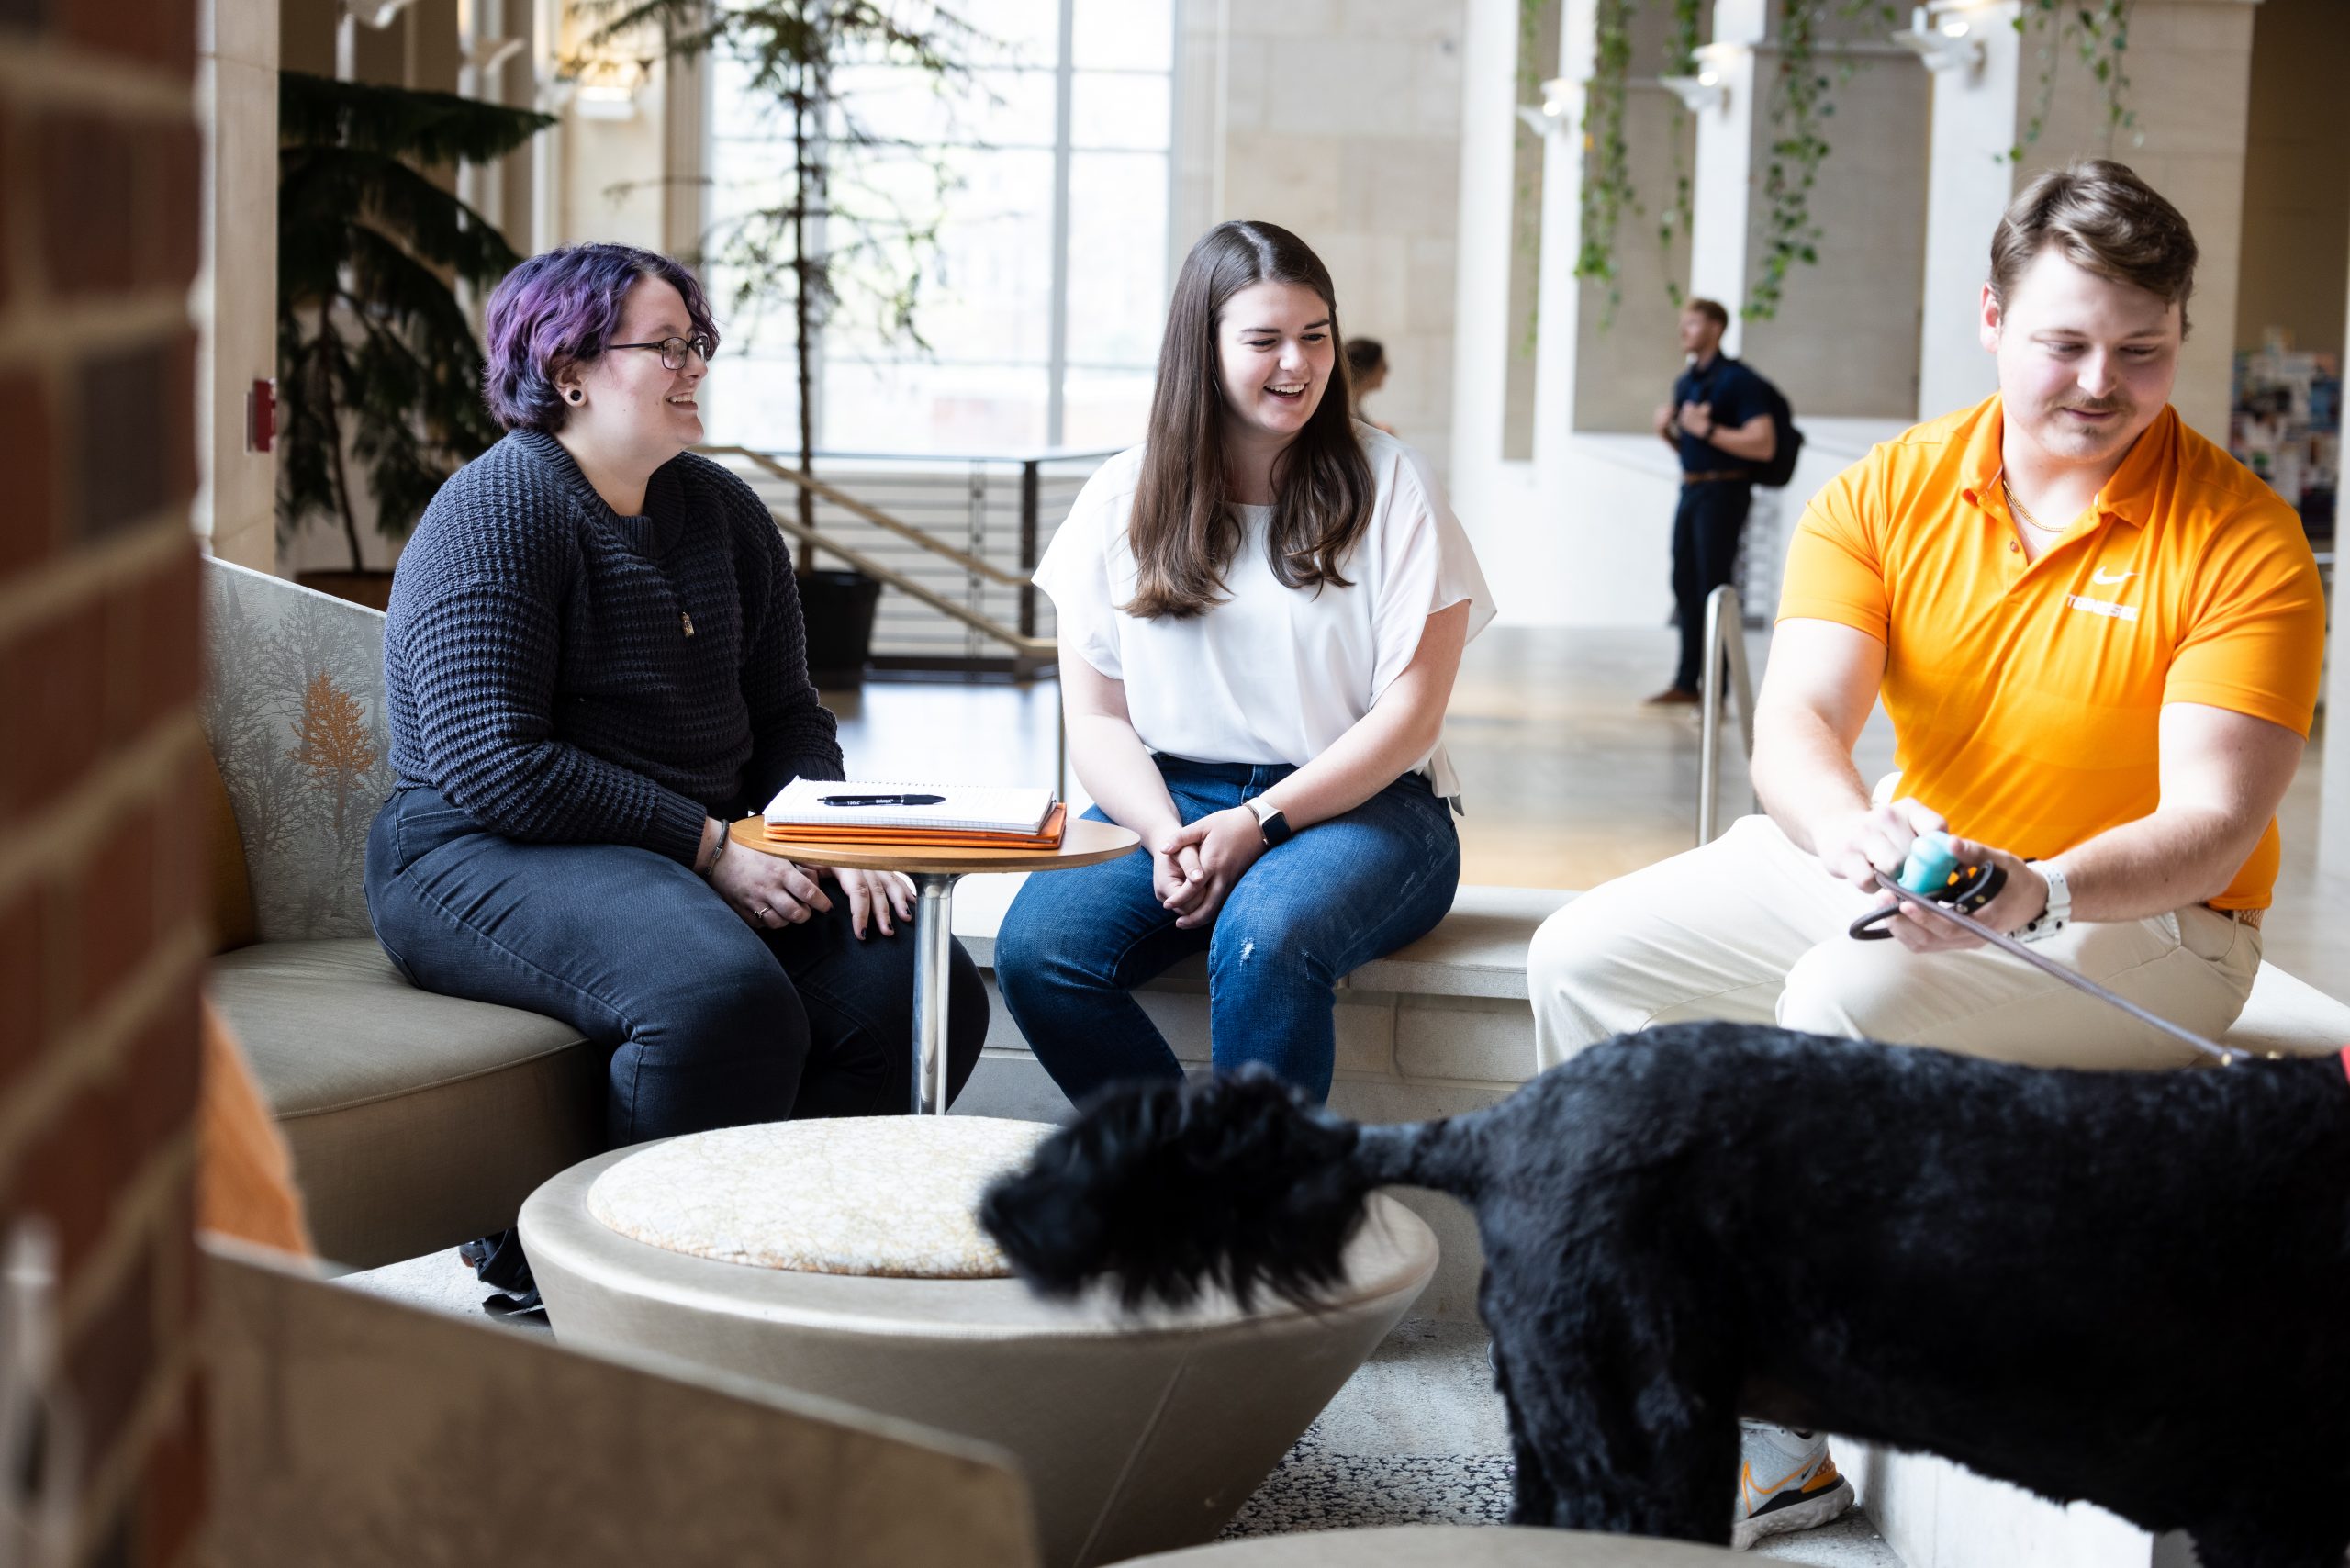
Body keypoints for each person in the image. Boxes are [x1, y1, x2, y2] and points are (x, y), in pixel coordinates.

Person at [1528, 160, 2325, 1547]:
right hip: (1916, 859)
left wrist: (2045, 891)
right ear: (1991, 315)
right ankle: (1643, 1353)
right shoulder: (1890, 489)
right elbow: (1801, 723)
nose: (2100, 380)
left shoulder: (2245, 540)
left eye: (2142, 349)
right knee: (1585, 958)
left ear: (2181, 335)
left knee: (1842, 1003)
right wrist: (1849, 832)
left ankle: (1773, 1434)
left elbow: (2214, 827)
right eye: (2063, 342)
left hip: (2151, 920)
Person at [365, 244, 990, 1281]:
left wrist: (820, 829)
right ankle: (574, 1272)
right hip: (478, 850)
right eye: (665, 345)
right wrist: (710, 848)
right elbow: (495, 762)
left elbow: (788, 711)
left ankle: (765, 1244)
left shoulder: (721, 509)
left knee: (920, 989)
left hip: (688, 845)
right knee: (716, 999)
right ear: (567, 369)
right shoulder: (499, 507)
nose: (693, 363)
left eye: (696, 342)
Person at [992, 220, 1494, 1107]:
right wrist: (1158, 833)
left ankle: (1264, 1225)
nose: (1296, 364)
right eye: (1264, 340)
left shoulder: (1394, 484)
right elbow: (1100, 718)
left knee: (1265, 933)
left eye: (1316, 336)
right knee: (1039, 950)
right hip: (1175, 796)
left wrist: (1260, 821)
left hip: (1369, 808)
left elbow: (1410, 716)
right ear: (1204, 348)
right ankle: (1196, 1185)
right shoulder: (1121, 495)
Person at [1649, 297, 1776, 705]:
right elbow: (1693, 448)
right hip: (1692, 489)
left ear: (1716, 328)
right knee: (1684, 584)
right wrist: (1667, 434)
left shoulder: (1739, 381)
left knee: (1712, 586)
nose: (1683, 331)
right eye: (1682, 323)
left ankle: (1715, 689)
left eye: (1693, 323)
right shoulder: (1686, 383)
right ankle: (1687, 683)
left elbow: (1764, 444)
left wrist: (1705, 430)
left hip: (1725, 492)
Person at [1345, 336, 1396, 433]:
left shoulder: (1351, 406)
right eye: (1382, 364)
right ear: (1366, 369)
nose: (1386, 370)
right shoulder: (1344, 410)